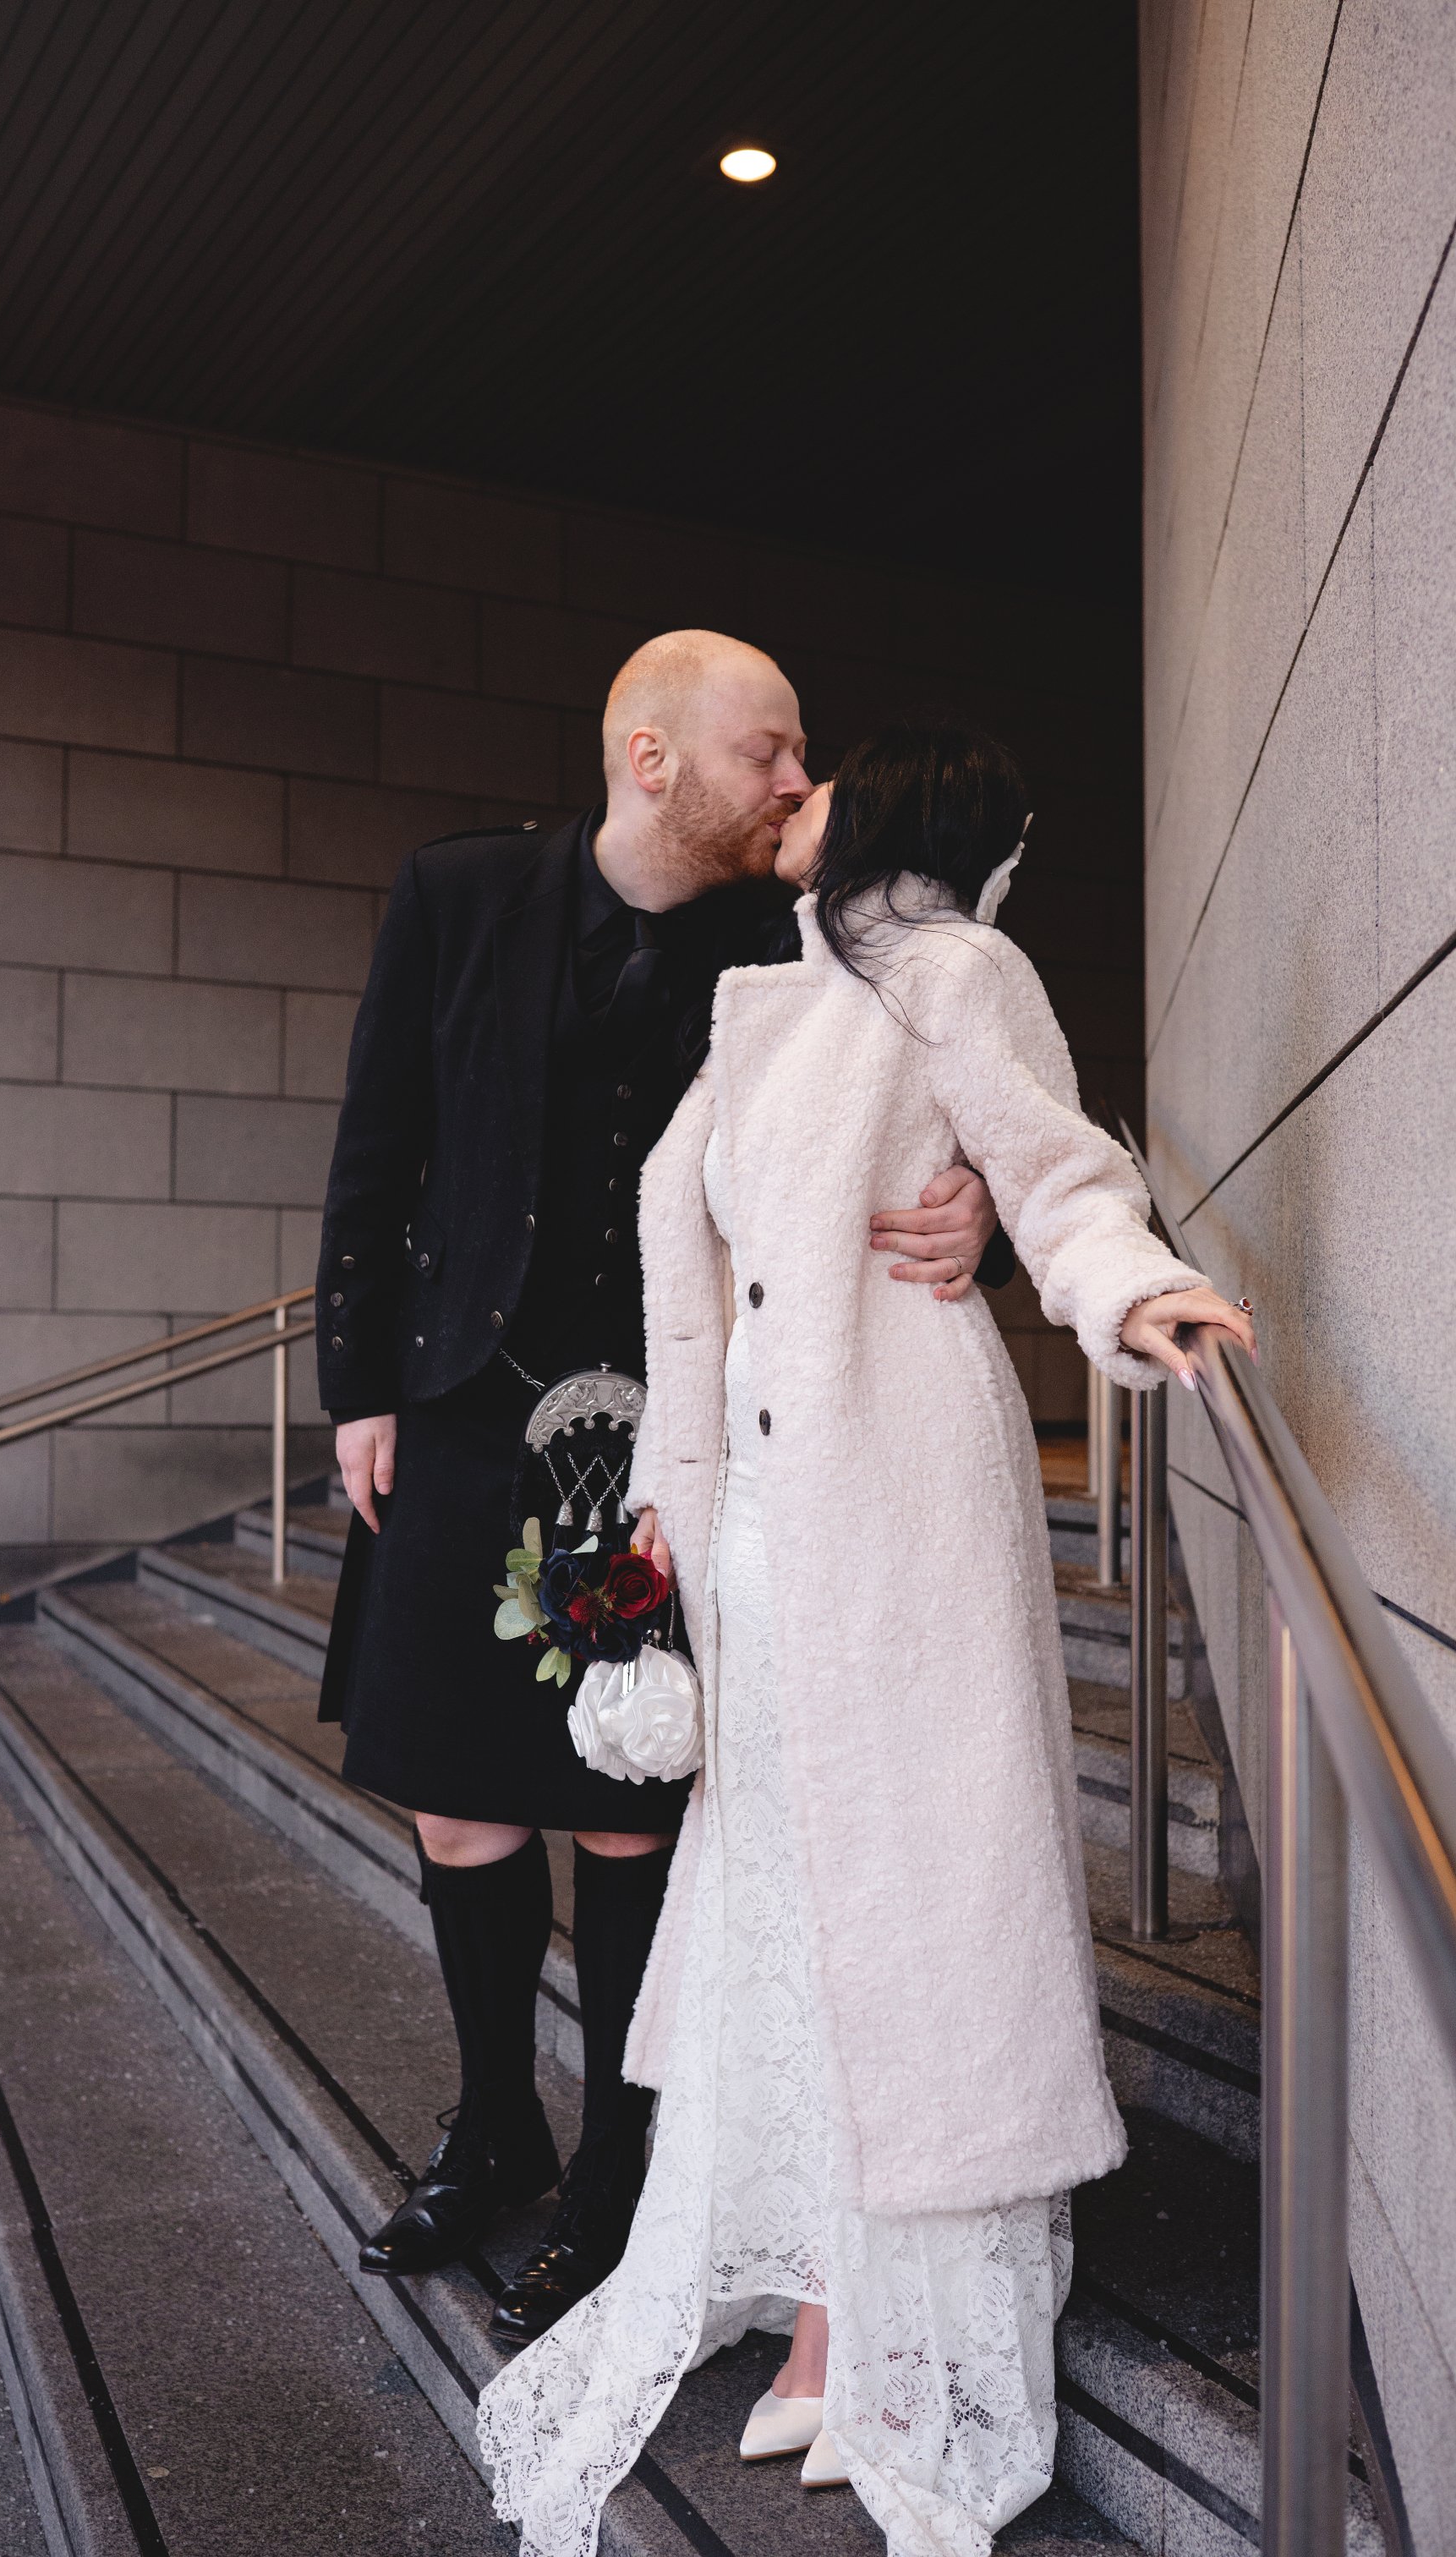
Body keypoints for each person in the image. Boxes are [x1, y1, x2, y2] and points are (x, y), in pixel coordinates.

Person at [477, 720, 1256, 2554]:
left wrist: (1124, 1286)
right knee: (800, 1911)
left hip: (901, 1492)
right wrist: (661, 1527)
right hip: (762, 1530)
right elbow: (689, 1285)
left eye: (818, 776)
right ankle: (836, 2287)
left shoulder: (955, 970)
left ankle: (899, 2329)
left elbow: (1056, 1167)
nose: (790, 792)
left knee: (912, 1892)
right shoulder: (774, 1004)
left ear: (885, 809)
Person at [313, 640, 1011, 2341]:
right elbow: (377, 1138)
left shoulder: (793, 936)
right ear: (651, 753)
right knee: (456, 1808)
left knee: (629, 1803)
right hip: (463, 1409)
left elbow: (949, 1064)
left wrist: (980, 1196)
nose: (793, 784)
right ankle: (494, 2135)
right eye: (768, 753)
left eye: (799, 763)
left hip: (668, 1429)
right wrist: (358, 1387)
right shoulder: (459, 894)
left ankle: (624, 2169)